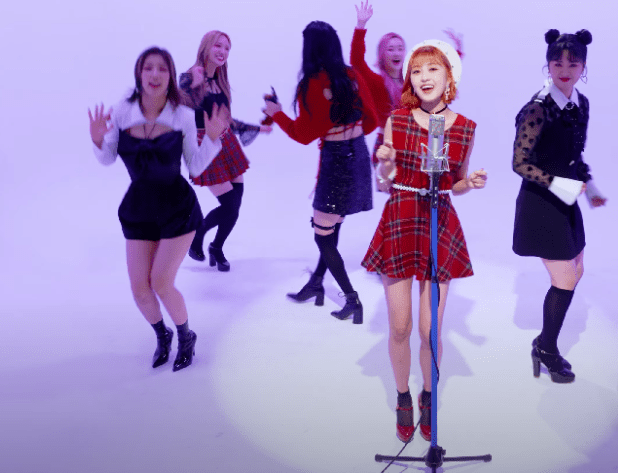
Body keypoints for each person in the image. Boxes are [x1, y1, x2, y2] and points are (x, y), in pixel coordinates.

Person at [362, 41, 487, 443]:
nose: (424, 77)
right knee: (400, 327)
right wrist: (385, 166)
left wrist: (471, 183)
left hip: (439, 222)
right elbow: (385, 182)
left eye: (433, 69)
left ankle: (428, 396)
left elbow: (456, 183)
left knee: (430, 330)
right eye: (416, 71)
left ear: (449, 76)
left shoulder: (465, 127)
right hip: (401, 218)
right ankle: (403, 396)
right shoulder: (397, 120)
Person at [88, 46, 227, 371]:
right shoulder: (121, 112)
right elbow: (108, 158)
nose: (154, 74)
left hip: (177, 208)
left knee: (161, 282)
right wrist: (97, 139)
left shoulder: (182, 116)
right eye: (148, 67)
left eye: (162, 69)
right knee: (140, 289)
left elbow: (195, 167)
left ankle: (186, 336)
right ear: (139, 73)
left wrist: (213, 139)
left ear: (170, 76)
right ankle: (162, 334)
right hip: (139, 208)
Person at [263, 20, 378, 323]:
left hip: (336, 160)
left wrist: (276, 114)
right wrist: (348, 134)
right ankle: (316, 284)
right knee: (332, 225)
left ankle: (352, 300)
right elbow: (371, 120)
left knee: (323, 237)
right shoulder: (351, 76)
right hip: (358, 156)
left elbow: (303, 134)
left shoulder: (312, 83)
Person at [511, 29, 606, 384]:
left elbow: (574, 155)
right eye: (557, 63)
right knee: (564, 278)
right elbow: (519, 163)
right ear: (548, 65)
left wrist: (590, 186)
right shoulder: (538, 107)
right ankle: (547, 349)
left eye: (573, 63)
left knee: (576, 271)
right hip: (541, 202)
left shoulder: (581, 104)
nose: (565, 70)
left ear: (584, 66)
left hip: (566, 200)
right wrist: (559, 184)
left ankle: (544, 343)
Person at [180, 30, 272, 272]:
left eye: (227, 48)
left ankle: (216, 247)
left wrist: (257, 128)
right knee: (229, 206)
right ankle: (198, 233)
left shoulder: (220, 81)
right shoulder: (189, 77)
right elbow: (179, 108)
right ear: (206, 47)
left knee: (234, 206)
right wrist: (195, 86)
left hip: (226, 142)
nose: (223, 51)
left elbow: (226, 119)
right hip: (205, 144)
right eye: (218, 46)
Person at [350, 0, 464, 174]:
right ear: (382, 54)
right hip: (387, 147)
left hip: (414, 145)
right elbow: (357, 62)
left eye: (400, 48)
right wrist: (360, 26)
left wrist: (458, 52)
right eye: (390, 49)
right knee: (394, 189)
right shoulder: (376, 81)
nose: (396, 53)